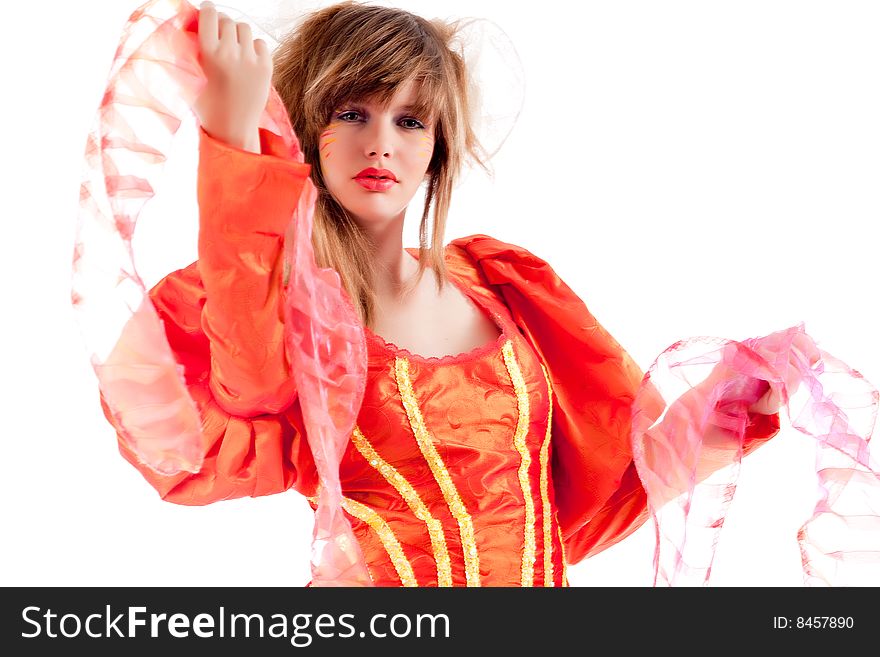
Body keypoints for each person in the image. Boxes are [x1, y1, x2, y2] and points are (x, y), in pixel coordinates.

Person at [98, 0, 788, 587]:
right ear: (309, 128)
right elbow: (242, 389)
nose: (379, 144)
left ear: (438, 146)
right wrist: (234, 140)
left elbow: (589, 499)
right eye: (351, 112)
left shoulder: (506, 285)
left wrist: (729, 406)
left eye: (409, 120)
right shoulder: (284, 303)